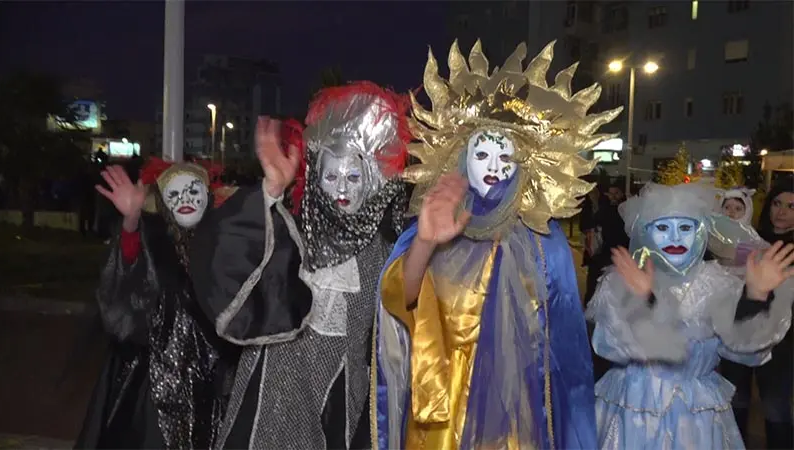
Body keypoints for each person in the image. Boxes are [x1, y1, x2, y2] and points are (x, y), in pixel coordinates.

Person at [374, 39, 623, 450]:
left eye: (505, 156)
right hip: (444, 414)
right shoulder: (435, 224)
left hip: (517, 421)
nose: (493, 166)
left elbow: (567, 358)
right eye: (482, 153)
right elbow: (399, 301)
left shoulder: (546, 243)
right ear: (460, 158)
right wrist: (424, 243)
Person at [188, 82, 410, 450]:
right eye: (331, 175)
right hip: (274, 391)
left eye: (354, 176)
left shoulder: (386, 250)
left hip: (344, 398)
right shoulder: (292, 231)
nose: (341, 188)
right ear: (316, 179)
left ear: (373, 180)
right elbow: (226, 266)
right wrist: (271, 190)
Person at [586, 182, 794, 450]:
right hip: (635, 409)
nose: (675, 238)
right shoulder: (622, 279)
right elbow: (612, 347)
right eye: (662, 228)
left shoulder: (718, 283)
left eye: (686, 228)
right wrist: (642, 300)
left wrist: (754, 298)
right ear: (645, 232)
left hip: (697, 416)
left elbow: (744, 351)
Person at [76, 159, 236, 449]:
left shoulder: (222, 244)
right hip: (153, 386)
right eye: (174, 194)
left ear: (209, 198)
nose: (185, 199)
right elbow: (126, 285)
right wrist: (131, 222)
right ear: (162, 204)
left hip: (212, 382)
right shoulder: (154, 244)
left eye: (193, 191)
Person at [720, 182, 794, 449]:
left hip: (780, 341)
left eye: (791, 206)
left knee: (775, 405)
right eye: (777, 204)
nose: (782, 212)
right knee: (734, 399)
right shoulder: (749, 237)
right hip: (739, 329)